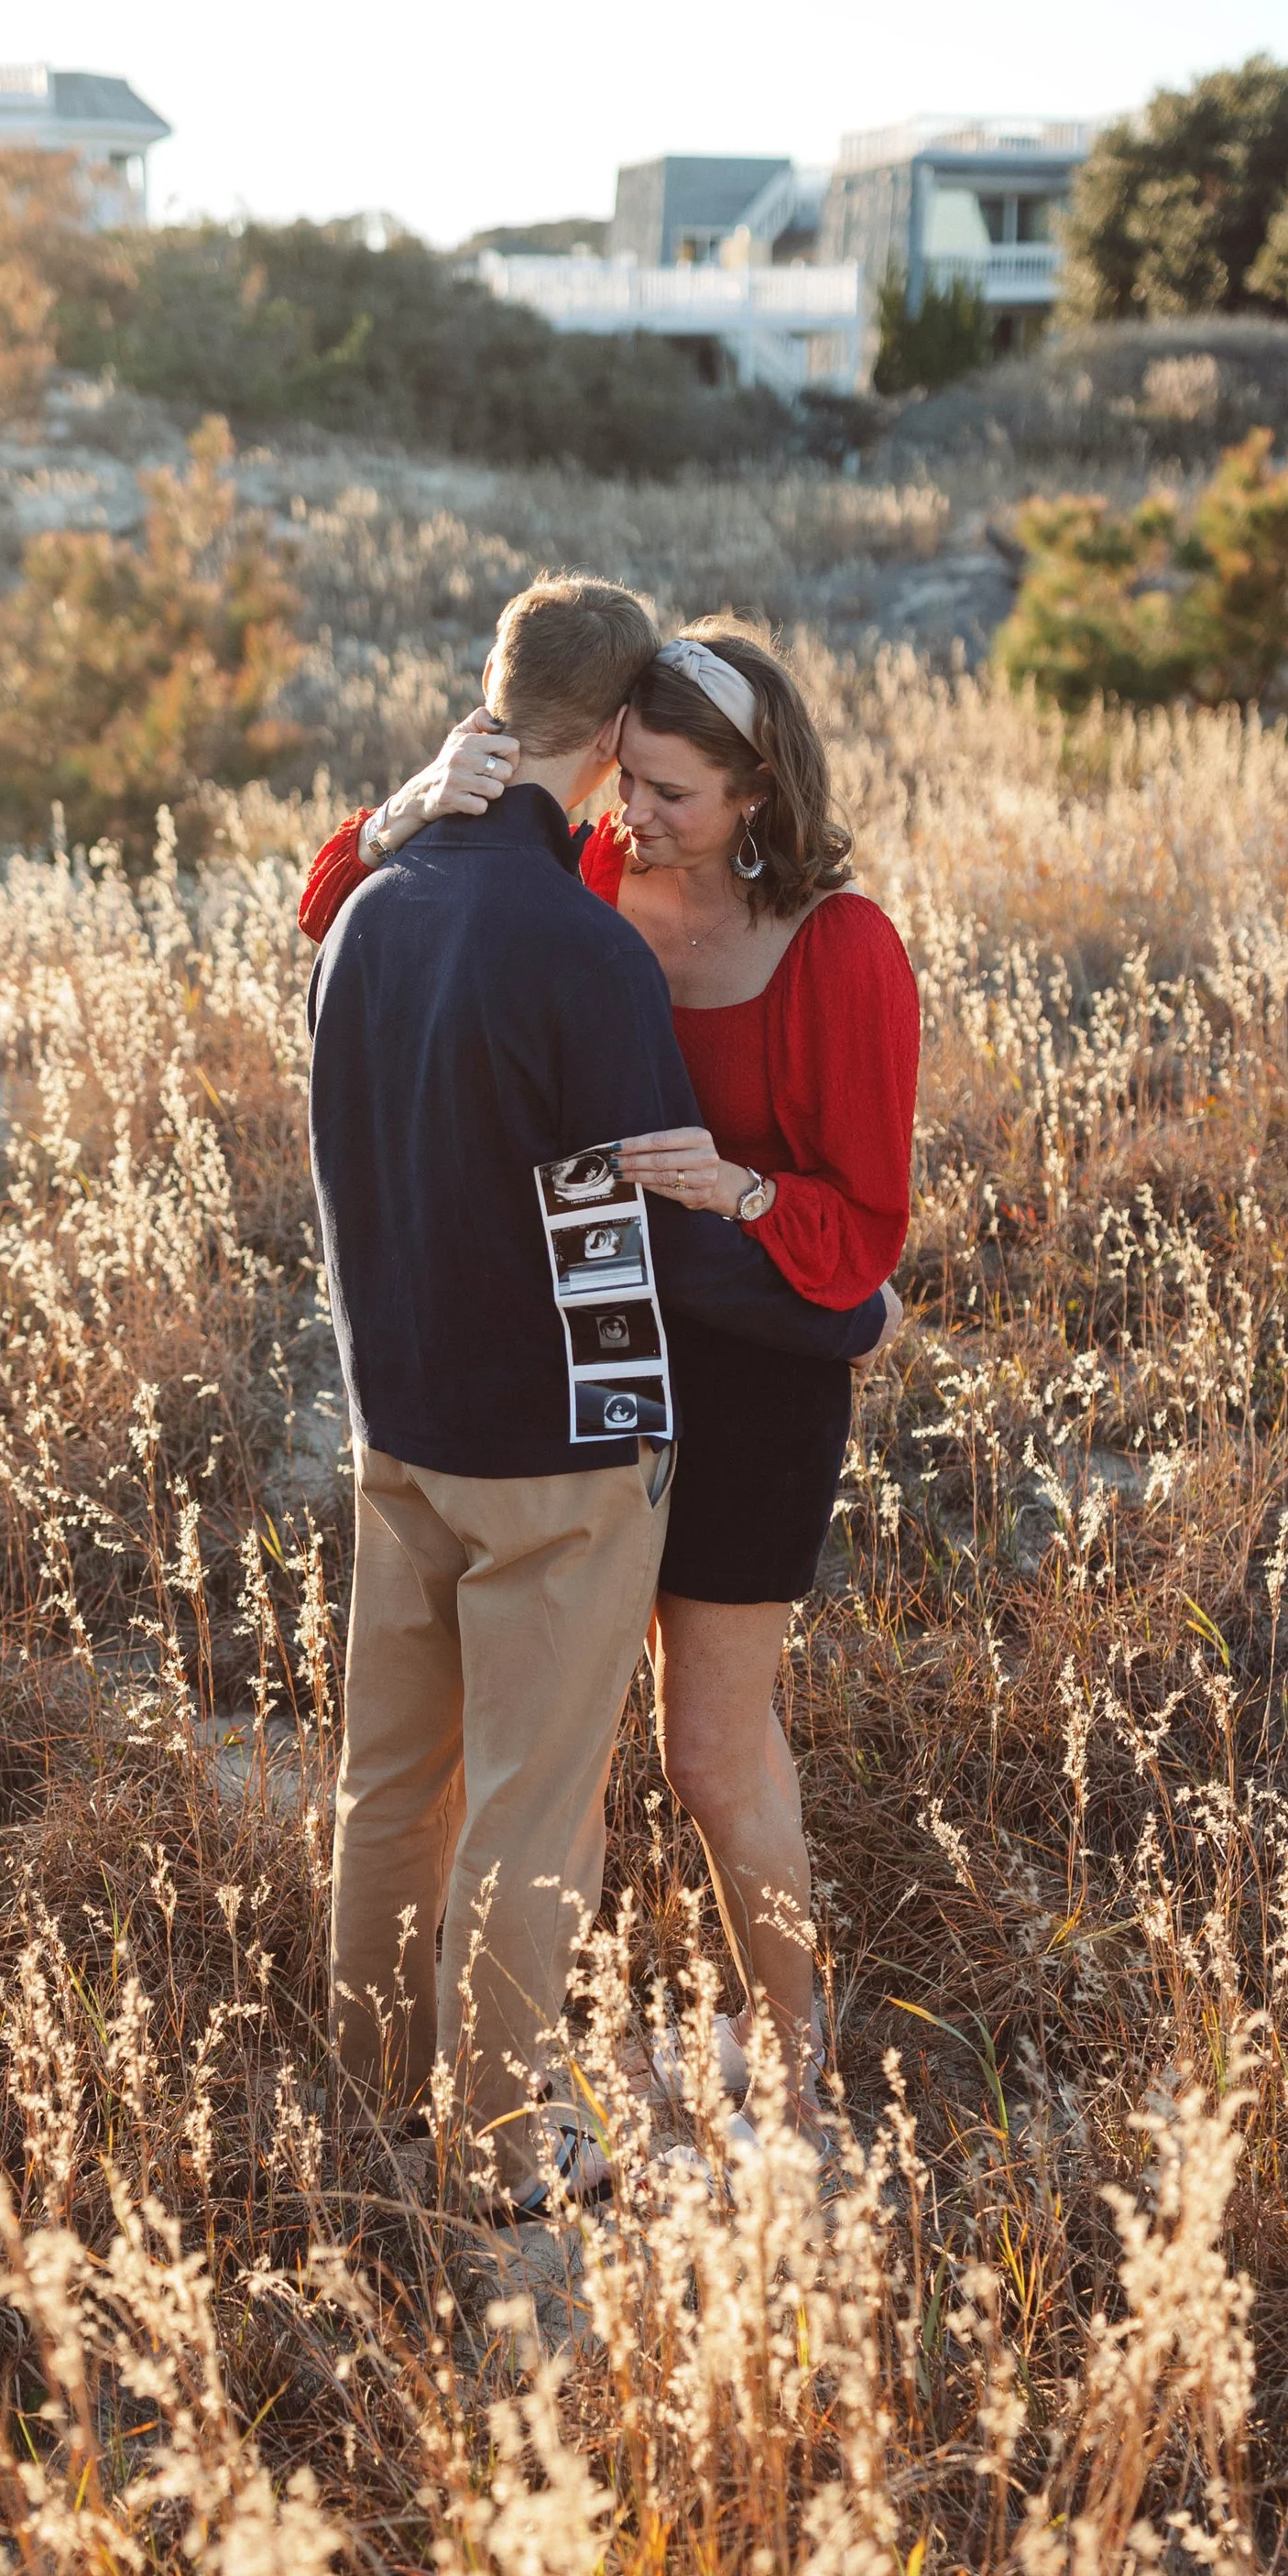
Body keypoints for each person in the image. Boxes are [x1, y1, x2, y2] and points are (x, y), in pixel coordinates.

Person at [307, 577, 892, 2221]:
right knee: (526, 1810)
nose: (642, 809)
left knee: (385, 1777)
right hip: (556, 1444)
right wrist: (842, 1318)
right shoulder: (583, 942)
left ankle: (372, 2104)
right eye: (635, 771)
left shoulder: (372, 903)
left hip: (398, 1421)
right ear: (613, 722)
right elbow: (622, 1235)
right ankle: (495, 2147)